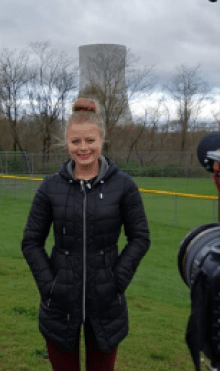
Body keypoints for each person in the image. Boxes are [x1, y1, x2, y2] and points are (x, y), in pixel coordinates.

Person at [21, 97, 151, 371]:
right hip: (60, 302)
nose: (83, 148)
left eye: (90, 141)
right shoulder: (50, 187)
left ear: (102, 138)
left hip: (106, 302)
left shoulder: (124, 185)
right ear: (66, 142)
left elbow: (140, 237)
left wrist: (116, 281)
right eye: (75, 141)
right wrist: (50, 286)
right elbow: (31, 241)